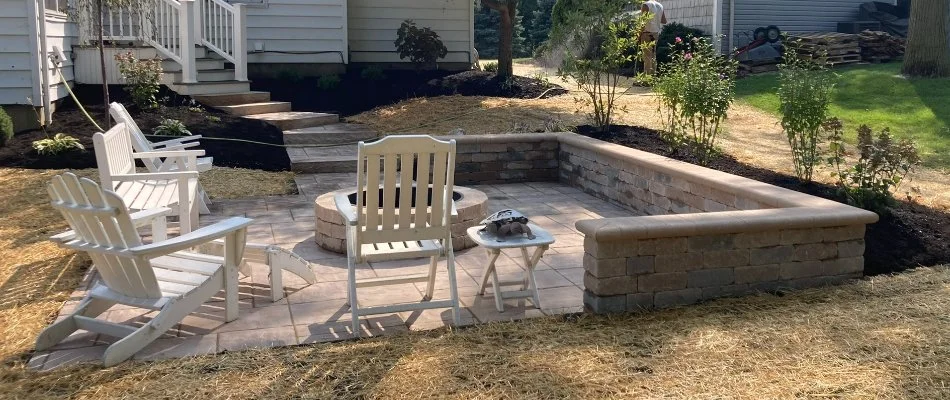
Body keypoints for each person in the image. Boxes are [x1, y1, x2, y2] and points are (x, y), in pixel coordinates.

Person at [640, 0, 667, 75]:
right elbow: (664, 21)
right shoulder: (660, 5)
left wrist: (638, 35)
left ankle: (647, 78)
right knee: (653, 55)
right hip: (655, 33)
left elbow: (643, 22)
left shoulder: (646, 5)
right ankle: (653, 76)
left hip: (646, 33)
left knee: (647, 56)